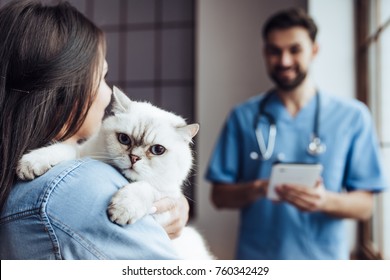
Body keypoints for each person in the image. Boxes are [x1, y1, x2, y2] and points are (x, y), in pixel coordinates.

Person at [0, 0, 188, 259]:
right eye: (102, 77)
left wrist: (170, 200)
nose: (110, 92)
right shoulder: (82, 185)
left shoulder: (17, 180)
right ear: (62, 92)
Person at [205, 8, 387, 260]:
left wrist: (323, 201)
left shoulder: (353, 116)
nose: (284, 61)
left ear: (314, 50)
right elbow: (218, 196)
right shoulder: (243, 116)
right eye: (274, 50)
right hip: (257, 260)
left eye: (295, 49)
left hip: (324, 262)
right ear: (264, 52)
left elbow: (365, 206)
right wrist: (258, 188)